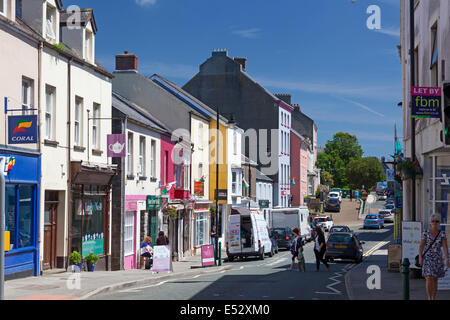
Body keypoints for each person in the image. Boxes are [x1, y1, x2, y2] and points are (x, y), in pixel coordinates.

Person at [418, 214, 450, 300]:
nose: (435, 223)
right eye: (433, 221)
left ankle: (433, 297)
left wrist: (447, 259)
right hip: (427, 257)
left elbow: (445, 247)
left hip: (437, 259)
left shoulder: (442, 234)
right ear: (430, 222)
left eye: (437, 221)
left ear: (439, 222)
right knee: (429, 277)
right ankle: (429, 298)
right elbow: (421, 246)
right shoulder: (425, 232)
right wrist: (420, 257)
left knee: (435, 279)